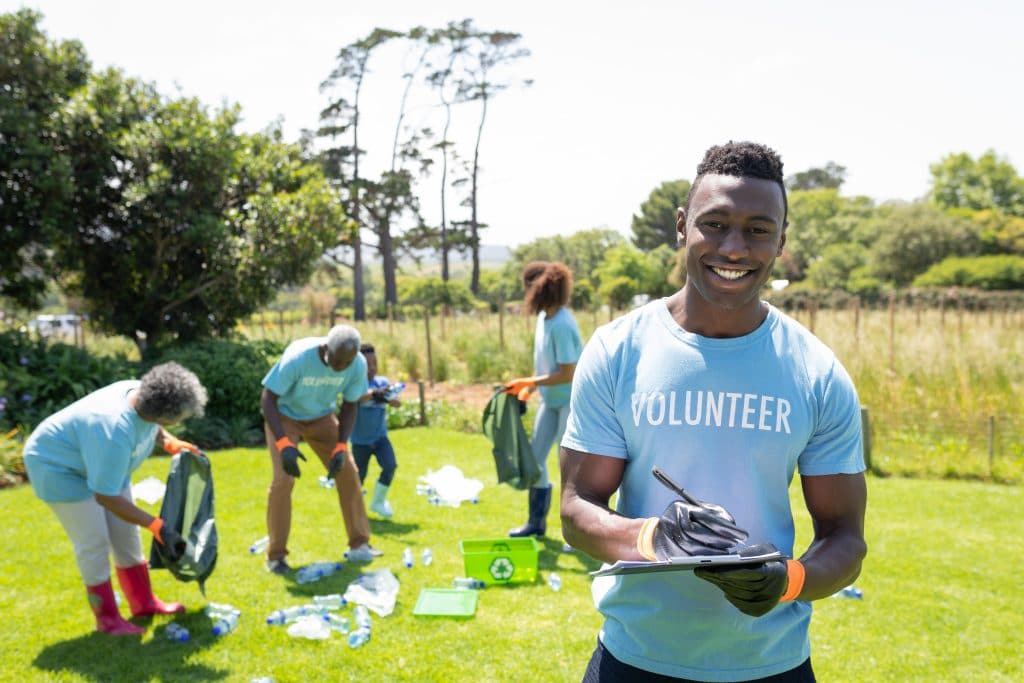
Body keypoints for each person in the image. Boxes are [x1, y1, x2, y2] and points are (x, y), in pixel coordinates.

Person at [560, 141, 868, 682]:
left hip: (772, 666)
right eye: (715, 223)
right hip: (633, 660)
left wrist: (788, 580)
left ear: (781, 240)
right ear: (682, 225)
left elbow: (845, 538)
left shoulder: (815, 371)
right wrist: (656, 538)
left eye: (757, 229)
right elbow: (577, 509)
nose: (733, 248)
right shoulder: (617, 351)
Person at [22, 362, 209, 636]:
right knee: (93, 541)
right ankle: (107, 619)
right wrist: (157, 526)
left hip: (99, 459)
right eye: (178, 418)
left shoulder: (141, 394)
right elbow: (106, 497)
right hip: (58, 468)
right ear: (163, 411)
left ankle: (144, 603)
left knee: (126, 534)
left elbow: (150, 425)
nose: (180, 421)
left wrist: (169, 442)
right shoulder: (113, 431)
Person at [260, 323, 382, 573]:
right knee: (283, 480)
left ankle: (359, 545)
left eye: (344, 364)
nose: (339, 368)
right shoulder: (298, 357)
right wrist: (283, 443)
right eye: (335, 361)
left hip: (321, 417)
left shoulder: (357, 364)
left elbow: (350, 405)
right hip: (284, 416)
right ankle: (276, 556)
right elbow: (268, 398)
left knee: (348, 470)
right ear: (326, 347)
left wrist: (340, 446)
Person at [504, 261, 583, 537]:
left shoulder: (562, 324)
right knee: (536, 459)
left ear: (539, 289)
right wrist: (531, 388)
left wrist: (528, 382)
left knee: (569, 470)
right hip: (550, 401)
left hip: (571, 403)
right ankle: (536, 524)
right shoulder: (544, 319)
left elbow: (568, 373)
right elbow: (547, 368)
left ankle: (574, 534)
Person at [352, 343, 402, 518]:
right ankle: (354, 509)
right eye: (368, 365)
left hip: (380, 438)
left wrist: (392, 398)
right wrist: (374, 394)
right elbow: (357, 397)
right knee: (359, 477)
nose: (372, 368)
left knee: (390, 465)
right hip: (360, 441)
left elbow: (395, 401)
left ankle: (378, 502)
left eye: (375, 363)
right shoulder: (355, 383)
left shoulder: (382, 382)